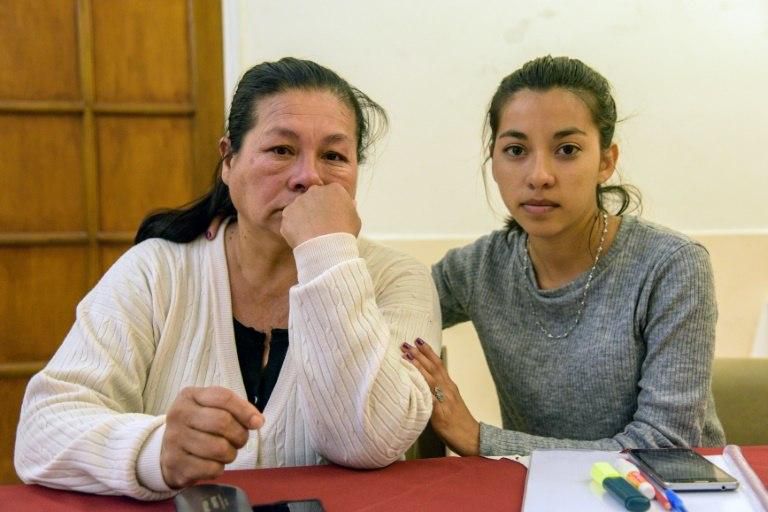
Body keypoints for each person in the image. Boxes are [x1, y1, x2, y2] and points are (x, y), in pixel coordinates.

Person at [14, 57, 441, 500]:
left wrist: (326, 253)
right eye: (281, 150)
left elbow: (367, 441)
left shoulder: (396, 279)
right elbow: (42, 429)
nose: (309, 177)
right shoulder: (158, 270)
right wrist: (153, 450)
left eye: (333, 156)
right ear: (229, 160)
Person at [401, 55, 725, 456]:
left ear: (606, 161)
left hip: (664, 497)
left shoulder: (671, 265)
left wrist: (481, 439)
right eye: (516, 150)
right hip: (542, 493)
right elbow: (390, 315)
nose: (539, 175)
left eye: (567, 149)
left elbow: (664, 447)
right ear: (493, 161)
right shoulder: (477, 270)